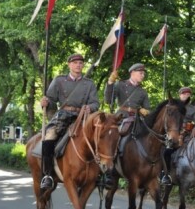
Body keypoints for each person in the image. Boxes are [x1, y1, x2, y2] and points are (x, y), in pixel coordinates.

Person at [39, 53, 100, 190]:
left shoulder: (89, 84)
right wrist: (45, 102)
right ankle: (47, 175)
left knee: (100, 139)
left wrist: (89, 107)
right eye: (75, 63)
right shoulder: (59, 80)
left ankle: (100, 174)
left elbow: (96, 103)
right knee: (48, 138)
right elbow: (51, 100)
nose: (78, 65)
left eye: (81, 63)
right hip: (63, 116)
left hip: (82, 117)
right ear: (69, 65)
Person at [103, 63, 151, 188]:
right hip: (121, 117)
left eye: (143, 73)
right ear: (132, 73)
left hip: (136, 119)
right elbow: (108, 100)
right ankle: (108, 170)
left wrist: (145, 111)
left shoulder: (142, 91)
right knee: (112, 137)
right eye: (140, 73)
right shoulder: (120, 85)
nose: (143, 75)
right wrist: (110, 82)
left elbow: (147, 108)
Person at [160, 86, 195, 186]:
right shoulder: (173, 106)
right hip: (174, 132)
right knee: (166, 151)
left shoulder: (192, 109)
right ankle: (165, 175)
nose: (186, 96)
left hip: (187, 135)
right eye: (184, 94)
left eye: (188, 94)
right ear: (180, 95)